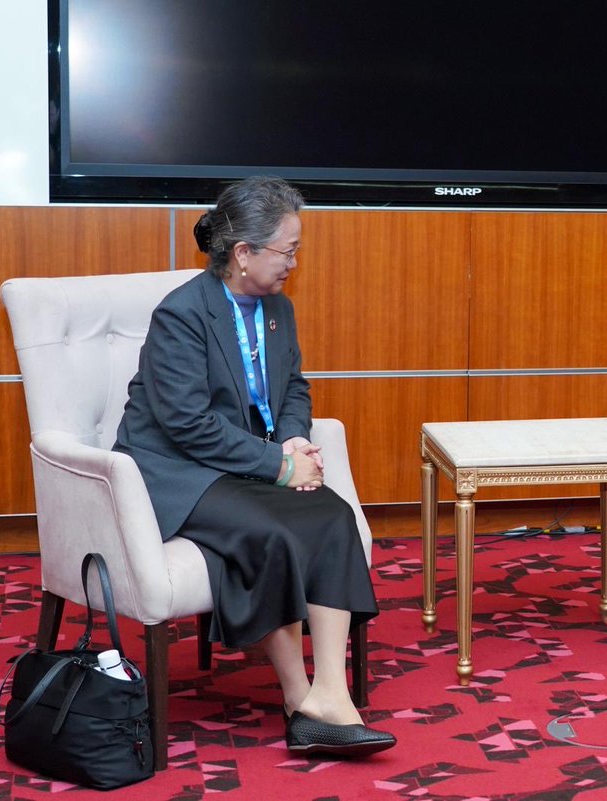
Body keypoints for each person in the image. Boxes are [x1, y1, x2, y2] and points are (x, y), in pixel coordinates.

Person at [114, 176, 395, 757]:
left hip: (241, 463)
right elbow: (186, 424)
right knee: (274, 531)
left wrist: (293, 442)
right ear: (243, 253)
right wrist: (277, 466)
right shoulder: (182, 315)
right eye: (287, 249)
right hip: (174, 471)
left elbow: (294, 386)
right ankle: (301, 699)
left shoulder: (276, 310)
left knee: (331, 514)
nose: (294, 261)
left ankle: (328, 694)